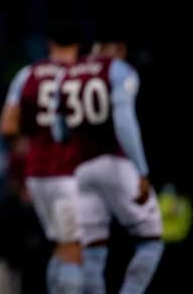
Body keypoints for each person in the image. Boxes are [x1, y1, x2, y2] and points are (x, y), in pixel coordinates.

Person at [56, 29, 163, 294]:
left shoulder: (66, 73)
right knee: (151, 240)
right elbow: (125, 123)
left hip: (81, 169)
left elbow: (59, 132)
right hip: (116, 163)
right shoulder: (118, 69)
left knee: (93, 251)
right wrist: (141, 170)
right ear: (120, 49)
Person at [0, 20, 84, 294]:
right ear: (79, 46)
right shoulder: (81, 73)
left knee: (61, 245)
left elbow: (7, 126)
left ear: (50, 44)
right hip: (69, 173)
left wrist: (33, 139)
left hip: (36, 175)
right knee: (74, 249)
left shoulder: (28, 74)